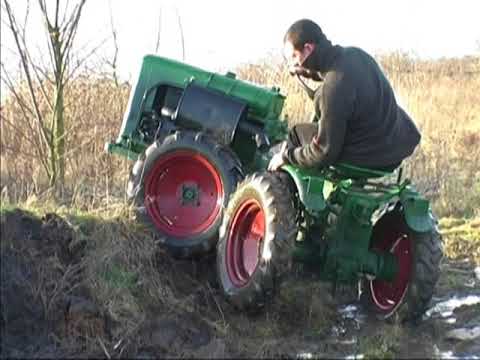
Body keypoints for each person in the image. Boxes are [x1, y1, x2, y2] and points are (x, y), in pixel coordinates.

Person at [268, 19, 421, 172]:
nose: (293, 65)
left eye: (294, 57)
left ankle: (281, 186)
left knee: (296, 134)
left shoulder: (333, 88)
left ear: (308, 49)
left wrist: (287, 156)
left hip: (369, 157)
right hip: (396, 145)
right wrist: (305, 71)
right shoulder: (355, 55)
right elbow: (332, 75)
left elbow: (324, 151)